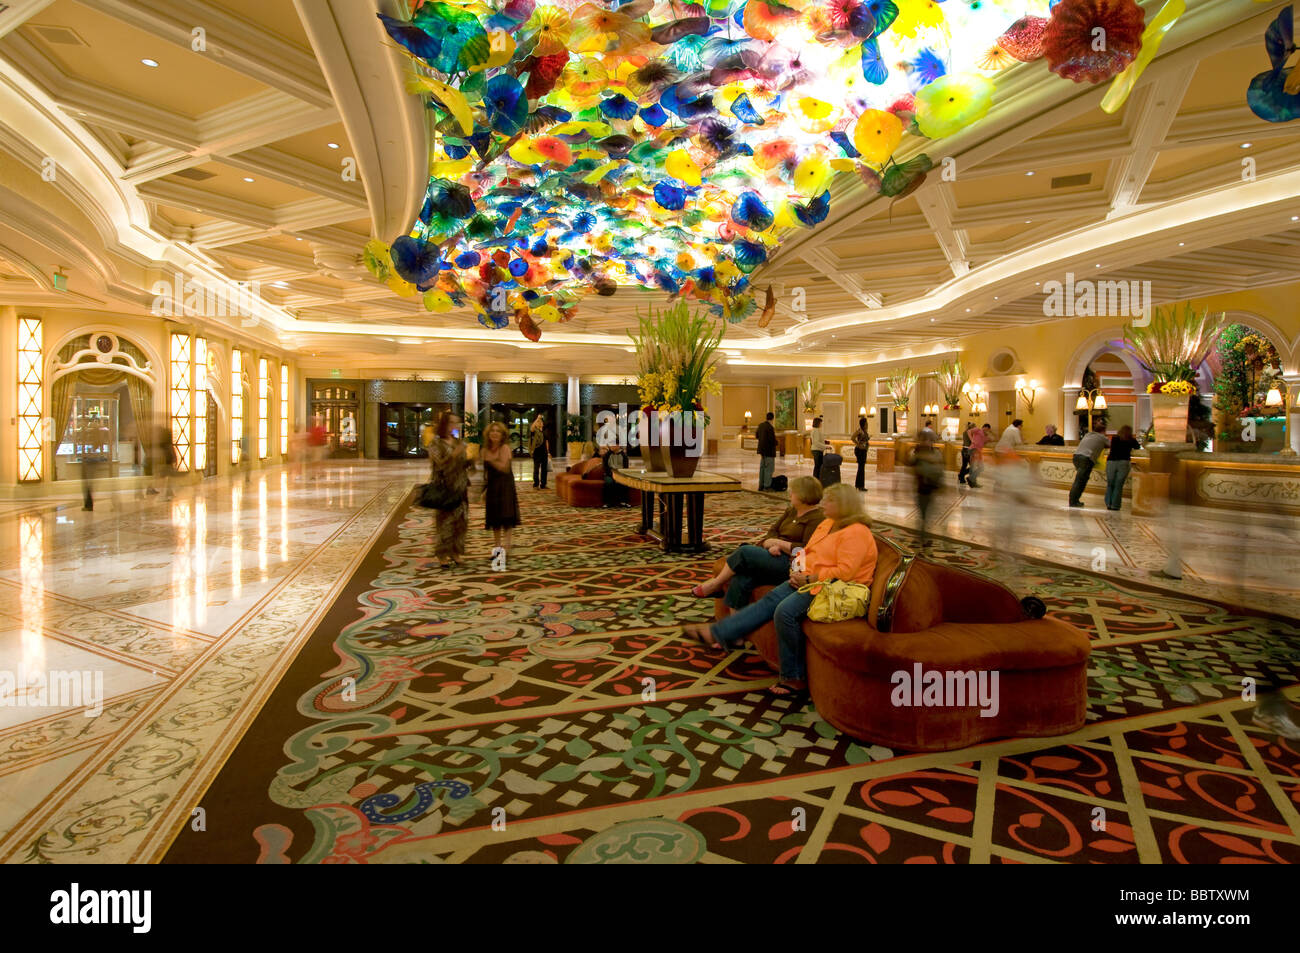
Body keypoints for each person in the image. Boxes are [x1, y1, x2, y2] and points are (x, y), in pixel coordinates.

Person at [681, 484, 877, 701]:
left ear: (844, 505)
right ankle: (721, 632)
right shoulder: (828, 524)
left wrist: (809, 577)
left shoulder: (856, 532)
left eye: (829, 501)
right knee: (769, 601)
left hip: (836, 588)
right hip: (810, 580)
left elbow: (846, 572)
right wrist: (797, 569)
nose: (823, 504)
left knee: (784, 612)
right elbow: (807, 552)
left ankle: (794, 678)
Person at [689, 476, 825, 604]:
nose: (790, 494)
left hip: (792, 564)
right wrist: (770, 544)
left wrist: (778, 543)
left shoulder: (816, 518)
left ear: (804, 495)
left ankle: (715, 584)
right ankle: (735, 624)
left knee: (744, 552)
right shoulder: (792, 511)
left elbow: (804, 549)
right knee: (740, 578)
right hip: (774, 554)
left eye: (793, 492)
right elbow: (773, 530)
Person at [428, 411, 472, 568]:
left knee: (461, 521)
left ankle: (455, 552)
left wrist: (470, 461)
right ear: (444, 424)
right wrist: (455, 454)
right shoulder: (436, 444)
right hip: (444, 488)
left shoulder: (457, 441)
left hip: (460, 487)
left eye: (456, 423)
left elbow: (462, 463)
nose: (454, 426)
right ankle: (442, 554)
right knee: (445, 522)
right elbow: (440, 464)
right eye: (451, 422)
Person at [481, 421, 520, 557]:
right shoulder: (485, 449)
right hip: (492, 486)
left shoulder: (505, 448)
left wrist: (490, 459)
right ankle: (497, 546)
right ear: (488, 434)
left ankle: (507, 546)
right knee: (494, 519)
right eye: (493, 431)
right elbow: (485, 473)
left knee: (506, 516)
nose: (495, 433)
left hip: (505, 486)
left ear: (502, 434)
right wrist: (484, 490)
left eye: (498, 431)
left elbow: (504, 467)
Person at [907, 432, 945, 550]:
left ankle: (923, 537)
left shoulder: (935, 453)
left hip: (931, 486)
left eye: (927, 440)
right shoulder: (917, 453)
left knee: (926, 514)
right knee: (923, 514)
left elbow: (939, 467)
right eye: (923, 440)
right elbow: (910, 464)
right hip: (921, 487)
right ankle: (923, 537)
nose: (925, 442)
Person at [1069, 423, 1109, 508]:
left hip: (1076, 457)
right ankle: (1073, 501)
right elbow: (1110, 445)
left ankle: (1074, 500)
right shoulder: (1102, 437)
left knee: (1079, 480)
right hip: (1086, 458)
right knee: (1080, 481)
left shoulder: (1088, 434)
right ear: (1103, 431)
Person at [1104, 424, 1141, 512]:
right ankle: (1115, 505)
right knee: (1118, 485)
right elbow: (1138, 447)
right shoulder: (1131, 440)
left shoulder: (1115, 439)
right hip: (1123, 462)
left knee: (1110, 483)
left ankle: (1108, 503)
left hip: (1111, 462)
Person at [600, 443, 630, 508]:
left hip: (620, 474)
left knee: (622, 482)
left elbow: (625, 468)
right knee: (609, 482)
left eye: (613, 444)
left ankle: (623, 501)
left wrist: (619, 476)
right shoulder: (607, 455)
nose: (611, 446)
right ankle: (608, 502)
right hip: (609, 474)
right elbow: (605, 467)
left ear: (618, 445)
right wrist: (612, 475)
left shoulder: (624, 455)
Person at [756, 411, 777, 491]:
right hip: (769, 451)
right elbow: (772, 440)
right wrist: (776, 442)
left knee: (762, 468)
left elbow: (757, 436)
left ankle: (760, 485)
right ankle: (767, 486)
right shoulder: (770, 427)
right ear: (772, 418)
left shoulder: (761, 425)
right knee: (769, 468)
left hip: (762, 450)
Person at [528, 414, 549, 489]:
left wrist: (548, 452)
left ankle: (543, 484)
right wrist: (538, 418)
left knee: (544, 469)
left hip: (544, 453)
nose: (540, 423)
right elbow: (532, 428)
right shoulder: (534, 431)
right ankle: (536, 484)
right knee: (536, 469)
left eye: (541, 422)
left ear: (543, 424)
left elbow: (546, 442)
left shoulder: (544, 432)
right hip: (537, 452)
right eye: (538, 422)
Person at [966, 421, 988, 488]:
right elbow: (969, 431)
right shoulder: (978, 429)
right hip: (974, 450)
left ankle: (972, 482)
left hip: (978, 451)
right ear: (984, 427)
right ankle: (971, 480)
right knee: (978, 467)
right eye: (987, 429)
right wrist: (972, 439)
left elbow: (988, 440)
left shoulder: (984, 435)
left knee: (975, 467)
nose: (987, 430)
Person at [851, 417, 870, 490]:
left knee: (861, 468)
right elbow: (852, 437)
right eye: (866, 423)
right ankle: (860, 486)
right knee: (861, 468)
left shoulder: (864, 431)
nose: (867, 424)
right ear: (864, 424)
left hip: (863, 450)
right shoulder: (859, 431)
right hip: (860, 450)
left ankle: (859, 485)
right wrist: (858, 444)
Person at [957, 421, 975, 486]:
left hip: (964, 449)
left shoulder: (965, 432)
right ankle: (963, 476)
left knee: (964, 465)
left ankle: (961, 477)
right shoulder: (971, 433)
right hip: (968, 450)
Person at [810, 416, 827, 481]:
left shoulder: (814, 430)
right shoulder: (816, 431)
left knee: (817, 466)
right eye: (820, 423)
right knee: (818, 466)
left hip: (816, 450)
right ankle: (817, 480)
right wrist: (825, 446)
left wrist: (824, 442)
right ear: (818, 423)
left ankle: (816, 479)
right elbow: (816, 442)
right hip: (817, 450)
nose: (821, 424)